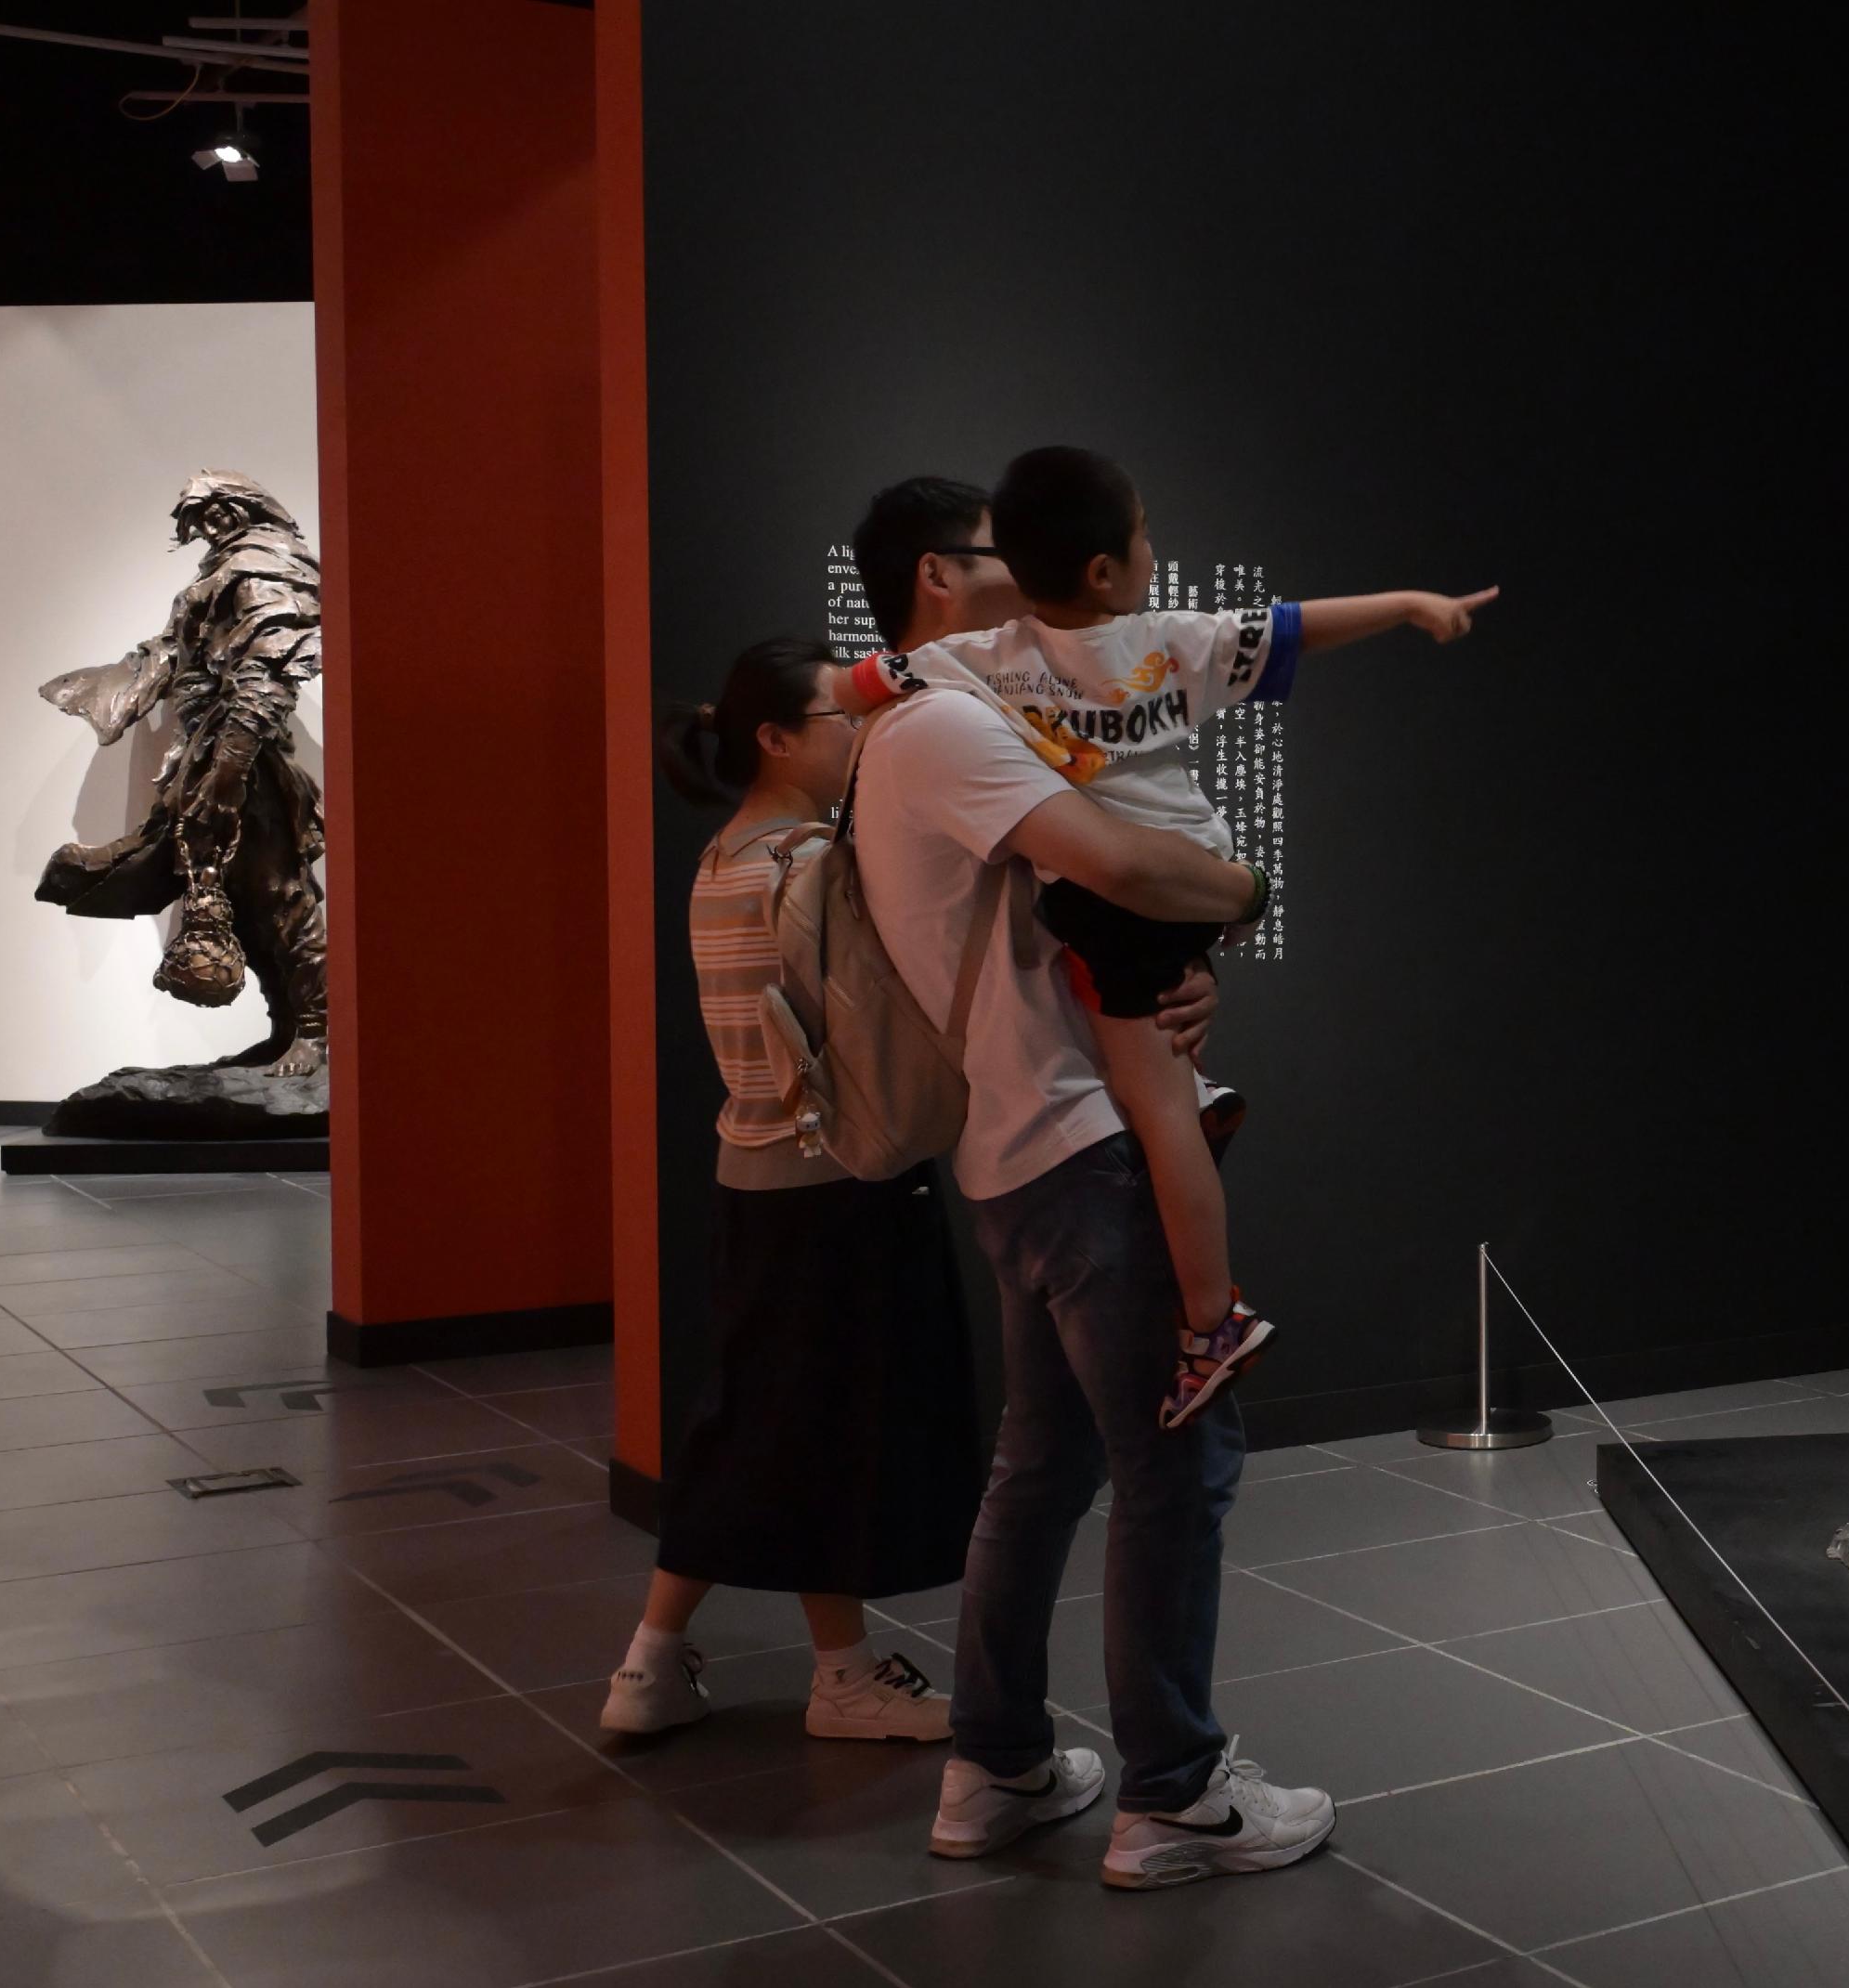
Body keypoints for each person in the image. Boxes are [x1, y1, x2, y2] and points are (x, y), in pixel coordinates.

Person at [843, 471, 1337, 1887]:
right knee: (1176, 1465)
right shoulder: (945, 725)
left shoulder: (932, 714)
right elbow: (1121, 860)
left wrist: (1184, 976)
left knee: (1044, 1467)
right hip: (1078, 1145)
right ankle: (1173, 1793)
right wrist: (1241, 895)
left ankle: (993, 1765)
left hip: (1024, 1141)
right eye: (993, 552)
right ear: (942, 578)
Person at [838, 445, 1497, 1425]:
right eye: (1145, 532)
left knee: (1153, 1105)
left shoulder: (971, 670)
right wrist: (1408, 602)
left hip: (1119, 910)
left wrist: (763, 713)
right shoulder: (1166, 642)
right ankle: (1210, 1286)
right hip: (1169, 881)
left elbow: (856, 683)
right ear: (1107, 569)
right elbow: (1291, 631)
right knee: (1163, 1104)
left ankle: (1207, 1314)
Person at [599, 639, 979, 1742]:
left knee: (765, 1423)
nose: (855, 733)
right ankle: (832, 1682)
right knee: (817, 1432)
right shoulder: (812, 862)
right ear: (775, 738)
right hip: (836, 1180)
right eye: (836, 716)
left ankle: (656, 1666)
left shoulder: (728, 856)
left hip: (758, 1175)